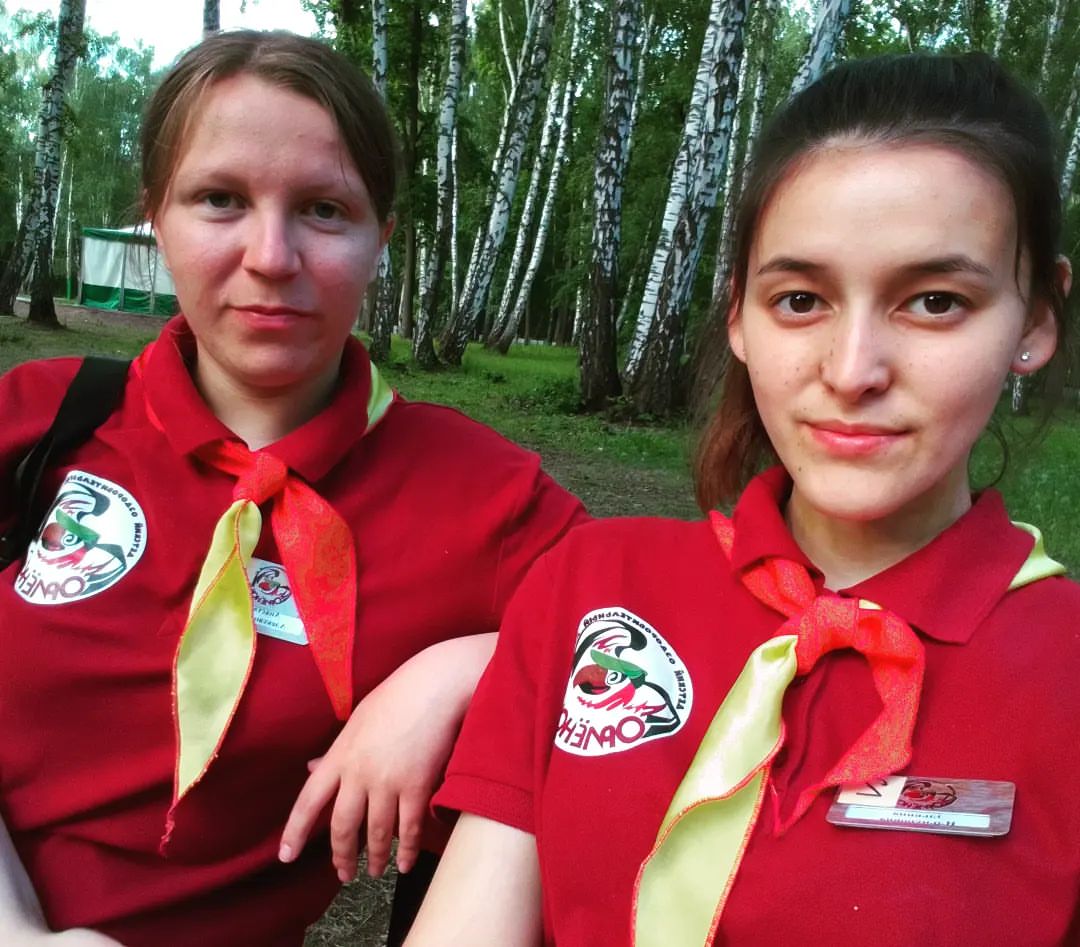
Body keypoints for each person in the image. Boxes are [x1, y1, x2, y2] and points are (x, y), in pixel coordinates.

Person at [406, 51, 1080, 946]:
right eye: (800, 299)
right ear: (738, 317)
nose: (852, 371)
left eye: (934, 302)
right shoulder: (590, 588)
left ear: (1035, 319)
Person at [0, 30, 586, 946]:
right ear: (155, 217)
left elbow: (677, 629)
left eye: (322, 209)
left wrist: (454, 671)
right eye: (220, 199)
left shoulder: (480, 497)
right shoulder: (40, 420)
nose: (272, 256)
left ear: (381, 238)